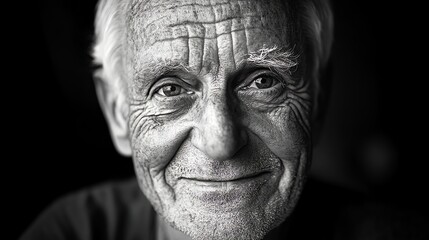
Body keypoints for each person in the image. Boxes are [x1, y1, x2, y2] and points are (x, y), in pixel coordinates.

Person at [21, 0, 428, 239]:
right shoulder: (69, 232)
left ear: (318, 99)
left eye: (263, 81)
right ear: (117, 113)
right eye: (169, 89)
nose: (220, 142)